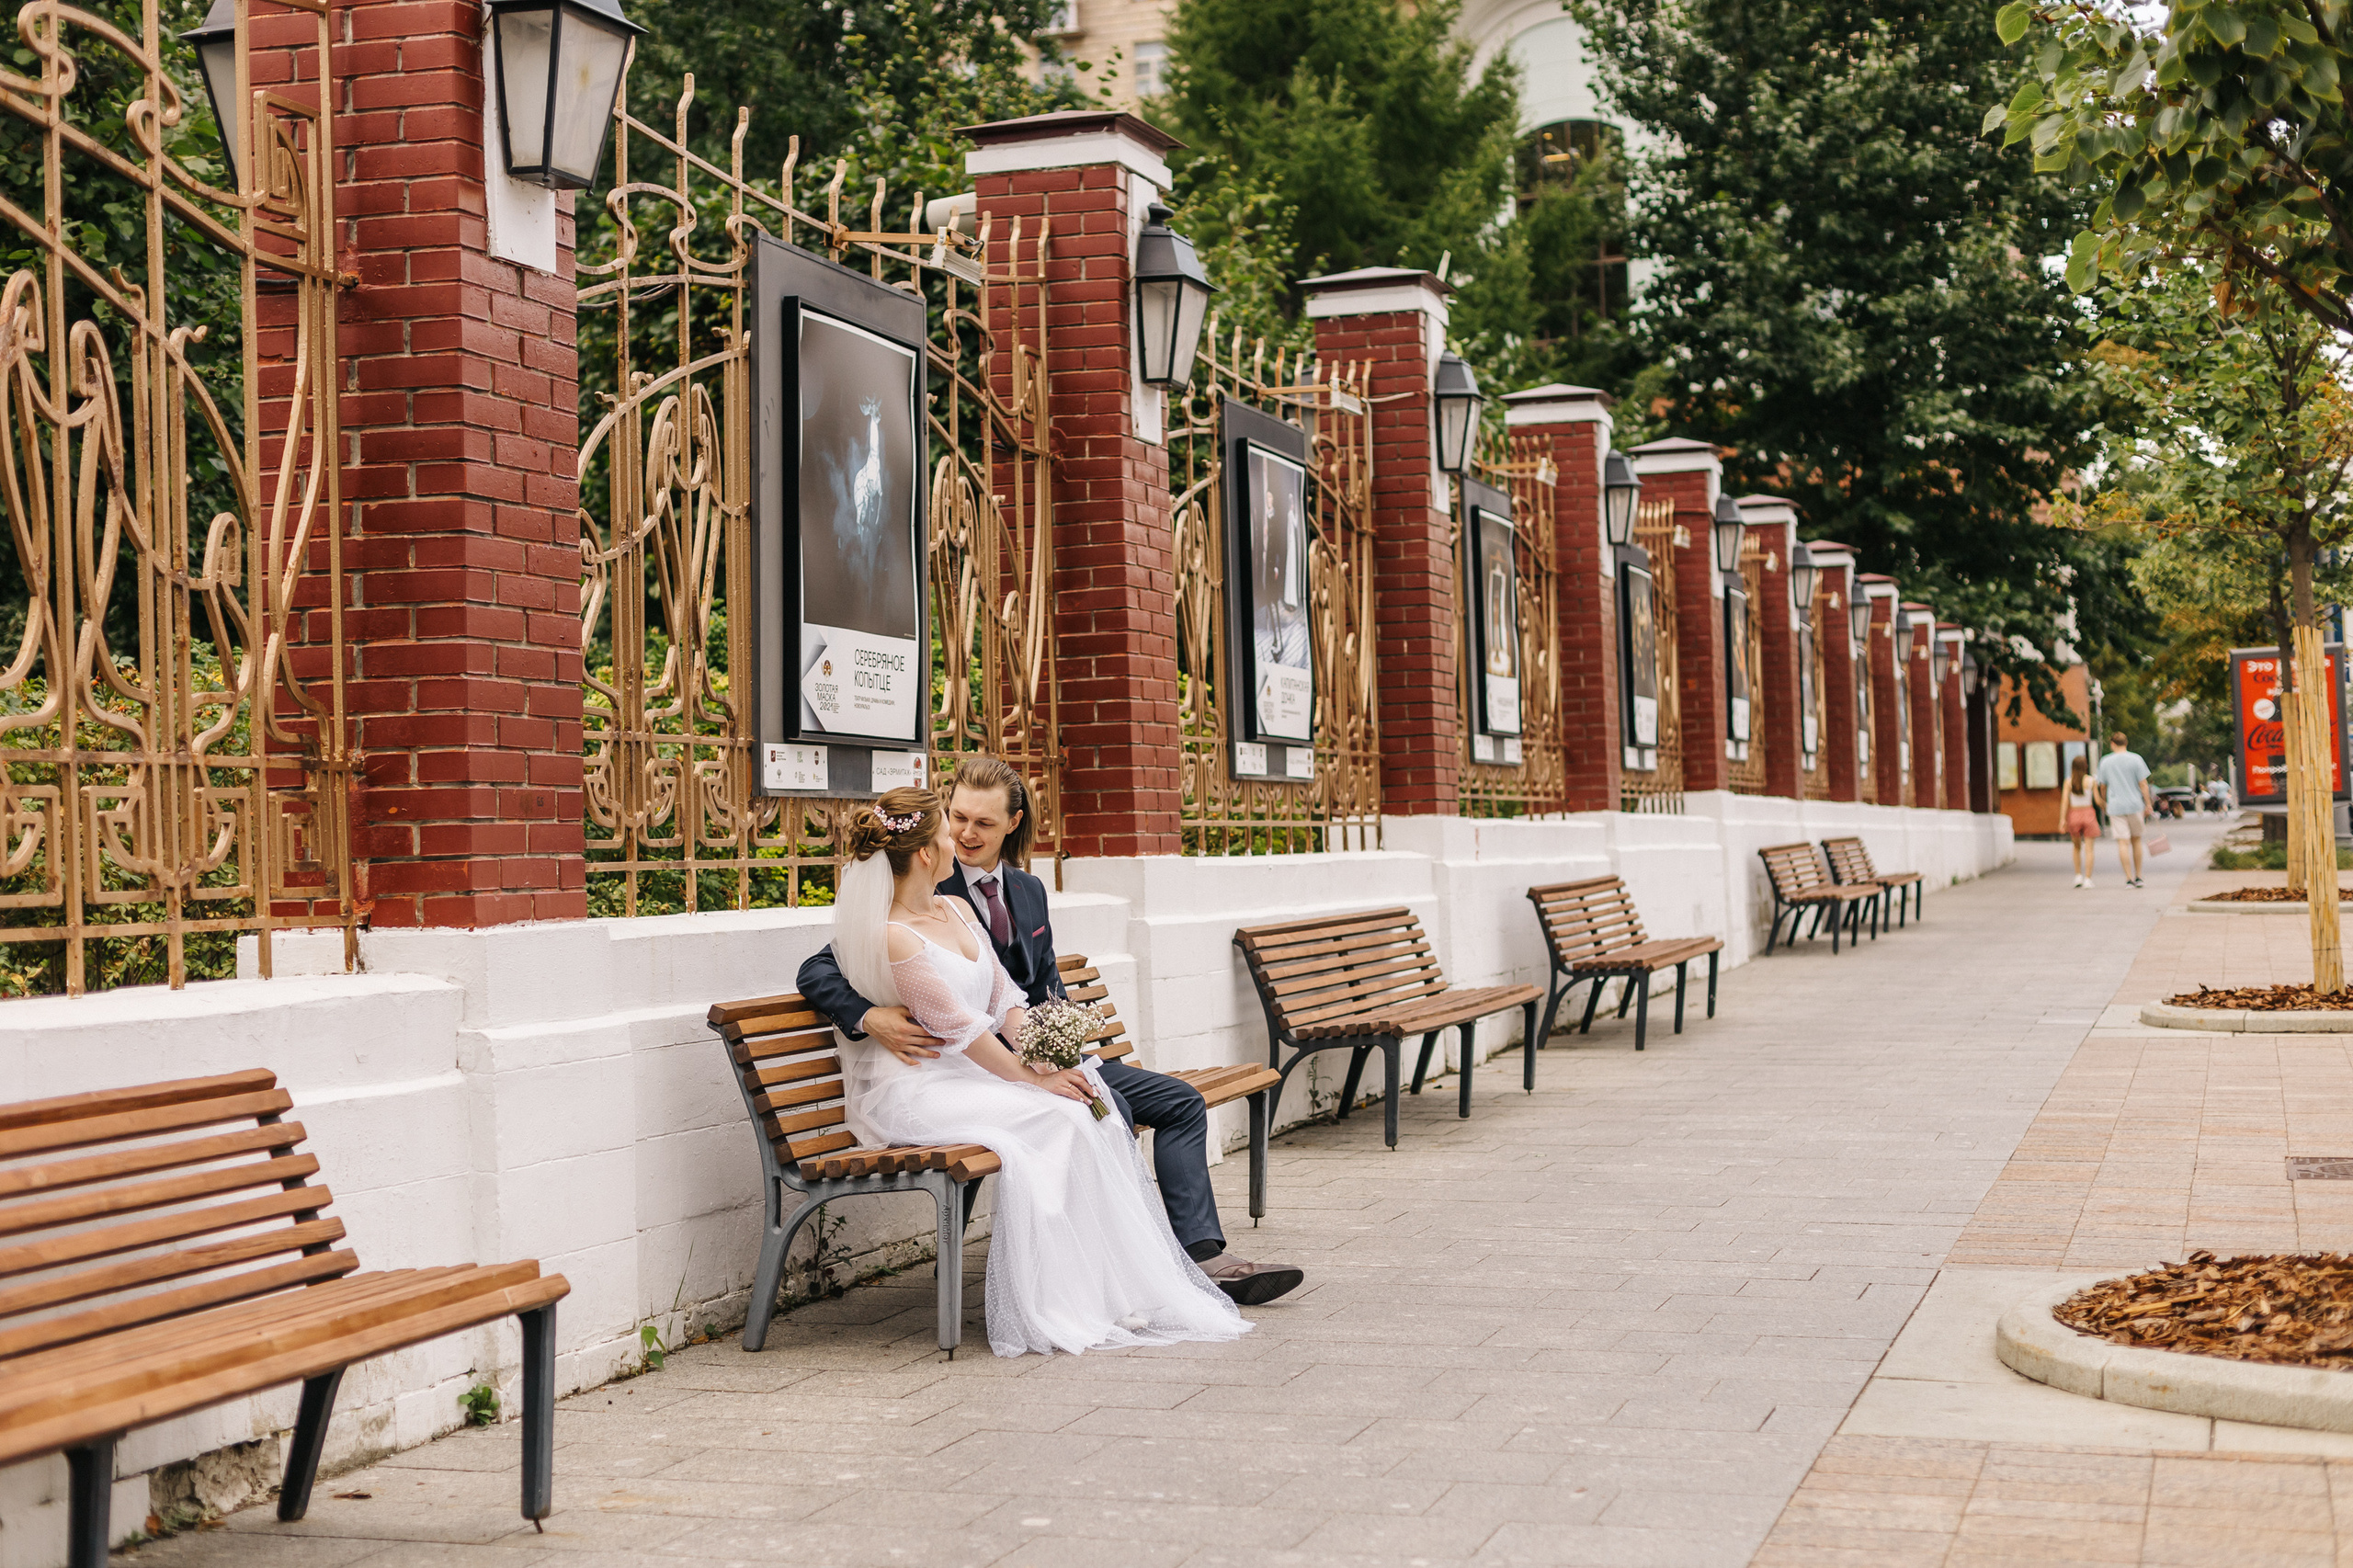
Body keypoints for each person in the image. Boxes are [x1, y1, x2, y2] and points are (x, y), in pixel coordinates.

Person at [799, 756, 1305, 1307]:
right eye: (957, 820)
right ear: (932, 842)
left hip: (1031, 1051)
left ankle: (1197, 1256)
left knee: (1174, 1101)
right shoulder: (909, 900)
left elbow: (1036, 987)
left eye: (983, 823)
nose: (966, 834)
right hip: (970, 1068)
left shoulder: (1026, 891)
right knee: (1099, 1108)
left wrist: (1056, 1054)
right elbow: (823, 967)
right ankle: (1126, 1273)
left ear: (1012, 825)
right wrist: (867, 1015)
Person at [2093, 731, 2154, 888]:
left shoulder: (2105, 761)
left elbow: (2103, 785)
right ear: (2126, 743)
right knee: (2136, 840)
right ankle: (2139, 876)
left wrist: (2104, 801)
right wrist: (2148, 804)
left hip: (2115, 806)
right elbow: (2143, 784)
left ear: (2112, 743)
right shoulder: (2136, 759)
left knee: (2123, 842)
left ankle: (2128, 878)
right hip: (2135, 805)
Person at [2063, 755, 2101, 888]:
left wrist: (2062, 820)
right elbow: (2097, 800)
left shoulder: (2068, 782)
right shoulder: (2091, 781)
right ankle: (2088, 879)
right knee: (2089, 849)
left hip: (2074, 814)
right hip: (2088, 814)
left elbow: (2065, 802)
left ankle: (2078, 876)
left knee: (2076, 847)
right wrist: (2105, 805)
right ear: (2085, 766)